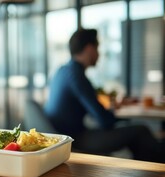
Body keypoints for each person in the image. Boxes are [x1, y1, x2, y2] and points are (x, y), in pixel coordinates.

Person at [44, 28, 163, 163]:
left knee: (134, 132)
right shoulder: (76, 76)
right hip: (75, 139)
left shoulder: (63, 71)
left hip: (63, 135)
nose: (99, 54)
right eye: (97, 48)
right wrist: (118, 116)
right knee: (141, 131)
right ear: (89, 49)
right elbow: (104, 121)